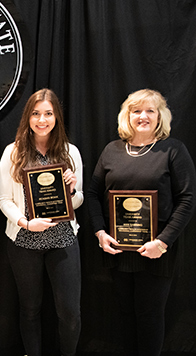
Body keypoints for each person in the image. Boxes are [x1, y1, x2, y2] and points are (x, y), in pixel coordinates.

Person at [87, 89, 196, 355]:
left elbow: (187, 199)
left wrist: (162, 242)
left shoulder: (173, 150)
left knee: (150, 317)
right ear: (127, 115)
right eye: (136, 110)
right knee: (125, 314)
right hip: (118, 249)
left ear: (160, 116)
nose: (143, 116)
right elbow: (92, 193)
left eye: (150, 110)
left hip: (156, 252)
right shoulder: (111, 150)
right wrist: (100, 231)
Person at [0, 88, 83, 356]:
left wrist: (71, 191)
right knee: (30, 309)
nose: (42, 120)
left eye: (48, 113)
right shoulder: (13, 152)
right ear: (28, 117)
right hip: (24, 239)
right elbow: (3, 200)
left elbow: (78, 199)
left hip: (63, 239)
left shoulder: (70, 152)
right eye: (36, 114)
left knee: (70, 313)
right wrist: (25, 222)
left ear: (57, 116)